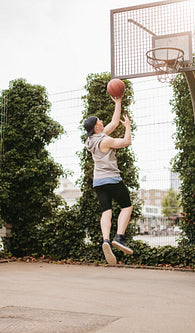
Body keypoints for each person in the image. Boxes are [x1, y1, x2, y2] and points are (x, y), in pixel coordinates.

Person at [83, 95, 133, 265]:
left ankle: (106, 240)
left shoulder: (91, 140)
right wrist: (128, 127)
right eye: (99, 121)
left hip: (98, 182)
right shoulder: (106, 140)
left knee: (106, 211)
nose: (102, 121)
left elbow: (113, 122)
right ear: (97, 126)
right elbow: (127, 142)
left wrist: (118, 103)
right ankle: (119, 236)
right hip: (111, 179)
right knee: (127, 206)